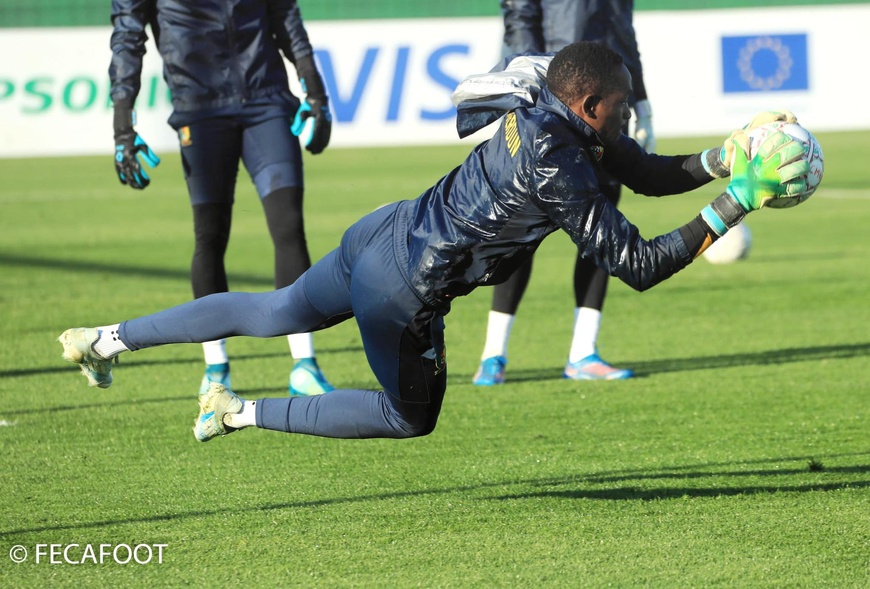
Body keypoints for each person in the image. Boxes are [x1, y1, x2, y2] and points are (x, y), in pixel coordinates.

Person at [60, 42, 808, 443]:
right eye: (619, 112)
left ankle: (106, 338)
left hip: (381, 229)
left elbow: (639, 170)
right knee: (406, 416)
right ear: (589, 104)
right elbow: (640, 265)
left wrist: (723, 157)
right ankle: (234, 412)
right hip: (405, 290)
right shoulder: (564, 164)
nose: (625, 121)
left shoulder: (541, 94)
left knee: (271, 307)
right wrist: (738, 199)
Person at [109, 0, 335, 397]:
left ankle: (305, 365)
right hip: (199, 109)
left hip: (267, 100)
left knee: (288, 226)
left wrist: (314, 91)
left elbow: (285, 17)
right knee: (210, 237)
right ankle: (216, 371)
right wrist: (122, 126)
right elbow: (128, 35)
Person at [472, 0, 653, 385]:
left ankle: (583, 352)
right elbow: (519, 17)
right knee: (518, 231)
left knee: (604, 228)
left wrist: (641, 100)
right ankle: (493, 354)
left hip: (606, 109)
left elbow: (625, 33)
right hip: (552, 104)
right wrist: (532, 82)